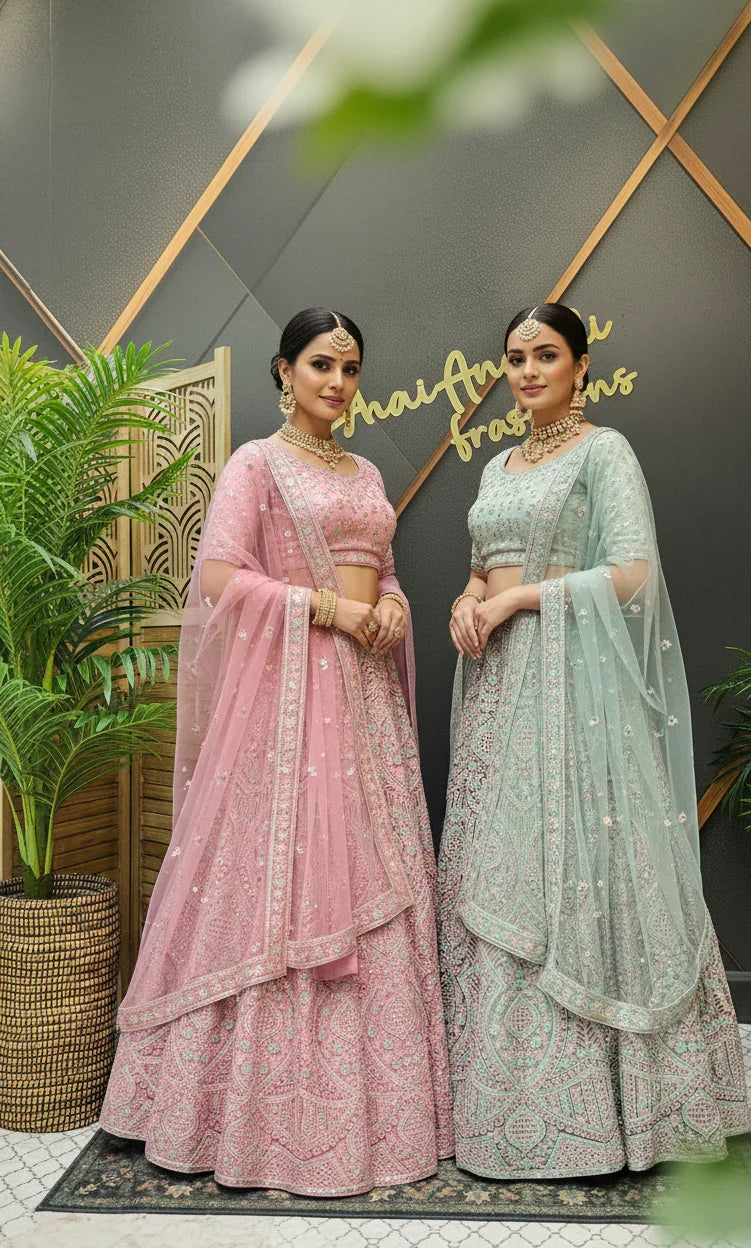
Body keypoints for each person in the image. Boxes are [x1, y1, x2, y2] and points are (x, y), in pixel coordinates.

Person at [101, 308, 453, 1195]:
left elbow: (385, 567)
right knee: (282, 882)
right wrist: (324, 609)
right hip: (291, 710)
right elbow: (219, 575)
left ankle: (379, 1114)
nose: (338, 382)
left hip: (365, 704)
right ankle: (248, 1116)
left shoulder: (367, 470)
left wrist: (398, 604)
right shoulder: (255, 464)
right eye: (322, 365)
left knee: (378, 878)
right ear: (284, 371)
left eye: (351, 368)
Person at [438, 303, 749, 1179]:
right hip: (498, 691)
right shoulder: (499, 463)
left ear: (581, 364)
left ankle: (612, 1114)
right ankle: (504, 1103)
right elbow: (483, 558)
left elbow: (633, 575)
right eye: (513, 358)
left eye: (545, 355)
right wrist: (469, 599)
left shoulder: (605, 453)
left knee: (575, 870)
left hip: (575, 699)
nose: (527, 371)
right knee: (498, 868)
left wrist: (516, 601)